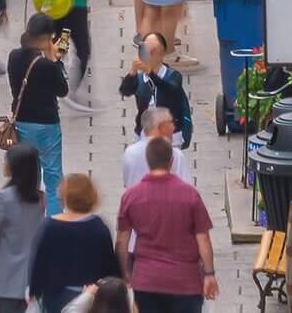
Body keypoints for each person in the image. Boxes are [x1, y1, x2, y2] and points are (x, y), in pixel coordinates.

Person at [115, 136, 217, 313]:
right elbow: (203, 239)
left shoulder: (131, 196)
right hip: (186, 281)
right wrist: (209, 274)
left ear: (148, 161)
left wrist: (125, 274)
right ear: (171, 161)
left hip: (147, 280)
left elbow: (122, 241)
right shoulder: (190, 195)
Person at [6, 15, 74, 214]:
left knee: (28, 175)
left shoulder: (14, 57)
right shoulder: (47, 65)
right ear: (47, 37)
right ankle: (54, 219)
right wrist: (55, 60)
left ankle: (30, 218)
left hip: (22, 122)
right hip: (47, 124)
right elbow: (62, 90)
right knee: (53, 176)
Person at [0, 143, 48, 313]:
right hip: (27, 279)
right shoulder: (39, 198)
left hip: (1, 280)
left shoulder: (4, 197)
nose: (4, 164)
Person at [28, 179, 120, 313]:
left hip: (55, 296)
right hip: (89, 296)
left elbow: (39, 264)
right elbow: (109, 266)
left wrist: (33, 291)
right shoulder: (99, 227)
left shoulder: (49, 227)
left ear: (64, 198)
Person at [120, 34, 194, 149]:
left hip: (170, 134)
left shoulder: (173, 76)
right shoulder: (140, 78)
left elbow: (170, 89)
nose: (149, 55)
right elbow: (125, 91)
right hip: (144, 133)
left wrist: (151, 73)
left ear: (162, 53)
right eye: (145, 50)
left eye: (153, 51)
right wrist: (132, 72)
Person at [118, 107, 191, 192]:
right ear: (162, 127)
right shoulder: (175, 155)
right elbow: (187, 188)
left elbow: (127, 183)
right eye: (171, 122)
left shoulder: (130, 153)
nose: (174, 127)